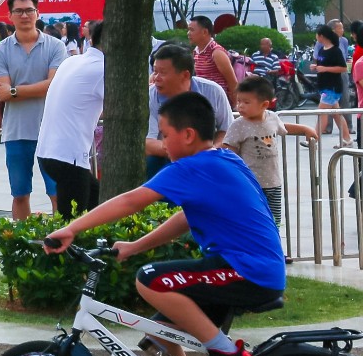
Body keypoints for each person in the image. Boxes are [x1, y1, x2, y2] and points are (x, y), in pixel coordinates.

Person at [46, 91, 285, 356]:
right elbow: (187, 216)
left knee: (149, 279)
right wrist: (135, 246)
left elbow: (131, 200)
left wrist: (72, 228)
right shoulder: (223, 160)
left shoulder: (195, 166)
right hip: (247, 269)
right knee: (160, 338)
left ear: (187, 135)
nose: (161, 143)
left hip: (246, 271)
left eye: (164, 134)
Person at [0, 0, 67, 219]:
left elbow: (54, 85)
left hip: (51, 130)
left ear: (37, 13)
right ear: (10, 16)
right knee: (20, 194)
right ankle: (20, 245)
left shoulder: (56, 46)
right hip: (16, 131)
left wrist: (14, 90)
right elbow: (1, 93)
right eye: (19, 11)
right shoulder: (0, 50)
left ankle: (62, 243)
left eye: (29, 10)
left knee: (57, 193)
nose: (25, 15)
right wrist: (36, 88)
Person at [224, 74, 318, 227]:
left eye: (246, 102)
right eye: (239, 101)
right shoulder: (238, 125)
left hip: (273, 183)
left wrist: (305, 128)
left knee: (274, 222)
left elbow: (283, 128)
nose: (240, 106)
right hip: (250, 184)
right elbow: (229, 151)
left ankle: (272, 248)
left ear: (264, 105)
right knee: (252, 222)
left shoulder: (272, 118)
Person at [36, 20, 106, 219]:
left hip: (48, 152)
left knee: (95, 199)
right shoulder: (103, 68)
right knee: (73, 223)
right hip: (69, 156)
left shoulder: (72, 61)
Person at [146, 44, 233, 177]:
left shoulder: (213, 91)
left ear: (185, 75)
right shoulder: (149, 96)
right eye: (155, 71)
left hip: (210, 160)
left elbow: (227, 131)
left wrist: (209, 152)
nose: (156, 78)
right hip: (164, 160)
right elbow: (148, 143)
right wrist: (189, 153)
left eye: (162, 72)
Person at [313, 24, 350, 143]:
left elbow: (343, 68)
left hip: (332, 87)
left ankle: (313, 139)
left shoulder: (335, 50)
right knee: (336, 115)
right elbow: (322, 65)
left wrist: (325, 69)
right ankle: (347, 139)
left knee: (322, 113)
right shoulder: (322, 50)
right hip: (324, 86)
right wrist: (317, 67)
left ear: (322, 36)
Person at [188, 15, 236, 93]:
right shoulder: (196, 52)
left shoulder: (217, 52)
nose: (188, 33)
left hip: (217, 100)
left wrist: (236, 104)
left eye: (192, 30)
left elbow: (232, 82)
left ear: (205, 32)